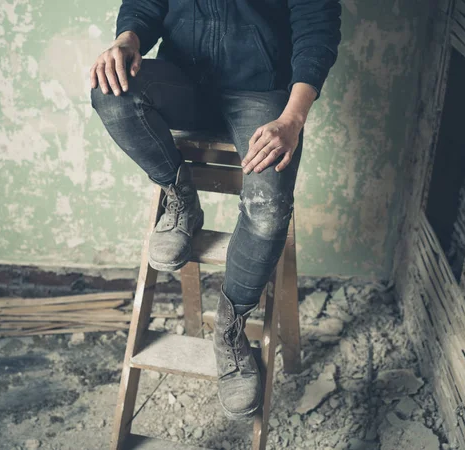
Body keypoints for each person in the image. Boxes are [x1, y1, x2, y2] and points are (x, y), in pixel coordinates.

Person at [90, 0, 341, 420]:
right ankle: (181, 200)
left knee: (269, 207)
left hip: (261, 94)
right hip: (183, 82)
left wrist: (293, 119)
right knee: (109, 92)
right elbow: (144, 5)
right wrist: (127, 39)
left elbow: (317, 27)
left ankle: (230, 330)